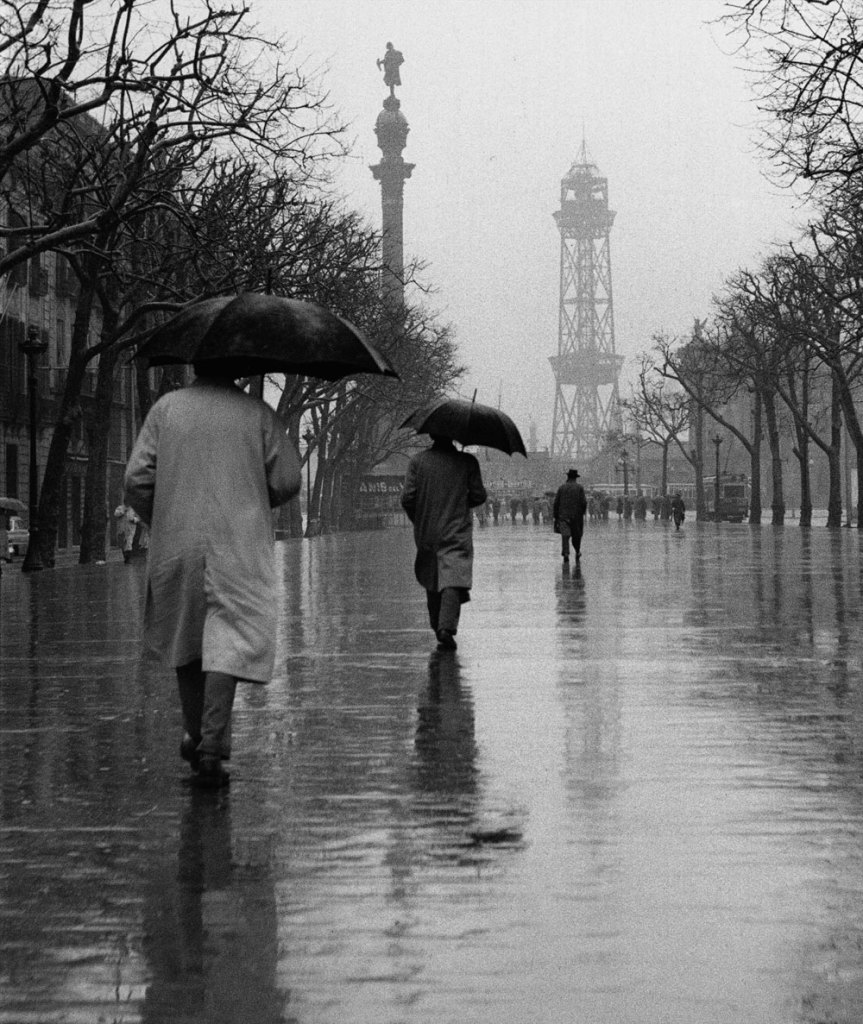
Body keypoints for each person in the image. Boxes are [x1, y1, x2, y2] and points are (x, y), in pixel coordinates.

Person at [124, 363, 301, 787]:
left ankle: (200, 734)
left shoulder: (166, 409)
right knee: (230, 640)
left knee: (186, 639)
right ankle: (210, 744)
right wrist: (258, 494)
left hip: (176, 542)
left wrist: (161, 515)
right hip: (237, 543)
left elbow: (136, 478)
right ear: (237, 369)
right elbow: (289, 478)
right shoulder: (257, 414)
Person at [401, 434, 487, 651]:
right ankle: (446, 627)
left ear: (431, 434)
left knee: (432, 575)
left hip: (427, 527)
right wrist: (460, 497)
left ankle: (436, 623)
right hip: (456, 528)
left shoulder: (418, 462)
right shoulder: (468, 462)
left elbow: (407, 498)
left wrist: (418, 519)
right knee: (453, 576)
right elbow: (479, 496)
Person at [553, 468, 588, 564]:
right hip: (576, 517)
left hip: (563, 516)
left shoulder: (561, 488)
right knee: (576, 536)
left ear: (568, 477)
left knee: (565, 535)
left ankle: (566, 553)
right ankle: (577, 551)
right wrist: (582, 512)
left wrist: (556, 516)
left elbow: (556, 503)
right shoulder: (579, 488)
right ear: (575, 478)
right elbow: (584, 502)